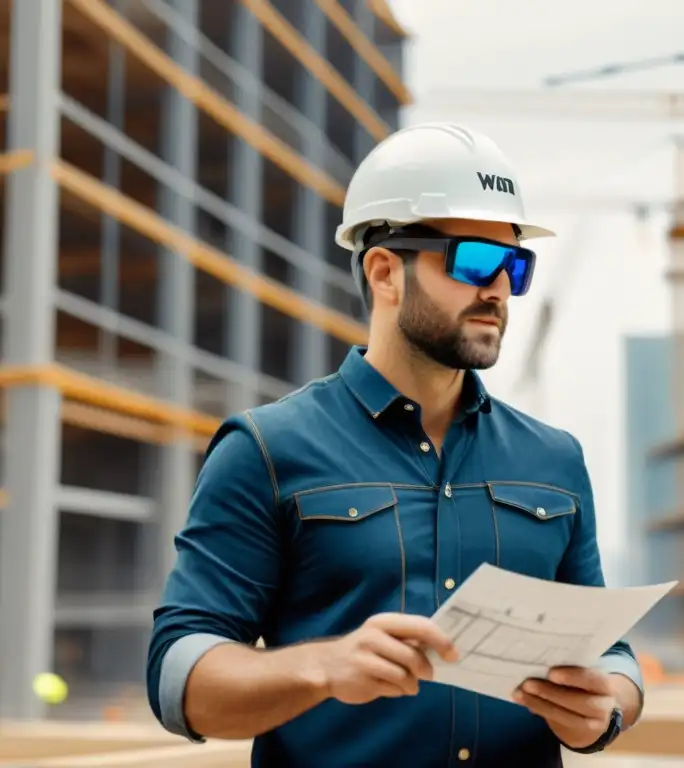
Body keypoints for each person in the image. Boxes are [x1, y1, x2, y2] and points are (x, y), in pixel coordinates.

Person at [146, 122, 643, 767]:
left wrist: (606, 710)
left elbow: (613, 654)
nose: (496, 288)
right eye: (472, 259)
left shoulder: (555, 459)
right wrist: (322, 667)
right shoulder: (265, 450)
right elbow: (179, 675)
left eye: (515, 265)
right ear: (384, 271)